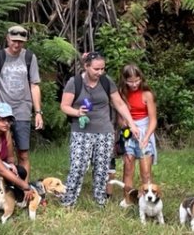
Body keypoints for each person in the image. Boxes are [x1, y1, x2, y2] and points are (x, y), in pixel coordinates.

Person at [59, 51, 141, 207]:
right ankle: (68, 201)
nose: (100, 72)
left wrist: (132, 123)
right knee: (78, 167)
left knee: (102, 168)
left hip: (104, 130)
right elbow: (64, 106)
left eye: (102, 69)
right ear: (86, 66)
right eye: (96, 69)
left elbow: (119, 104)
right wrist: (77, 112)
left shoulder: (106, 81)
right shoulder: (74, 82)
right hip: (81, 131)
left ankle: (100, 202)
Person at [0, 24, 43, 177]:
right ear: (7, 39)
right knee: (0, 152)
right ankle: (3, 185)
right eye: (14, 40)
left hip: (22, 110)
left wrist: (38, 112)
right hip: (1, 111)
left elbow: (34, 85)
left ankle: (24, 189)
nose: (17, 44)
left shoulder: (29, 57)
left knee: (23, 153)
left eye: (20, 41)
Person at [119, 63, 158, 205]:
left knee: (145, 172)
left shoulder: (147, 94)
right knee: (128, 169)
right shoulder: (122, 94)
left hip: (144, 132)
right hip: (129, 133)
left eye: (137, 80)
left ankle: (147, 199)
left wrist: (146, 138)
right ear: (124, 80)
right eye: (130, 81)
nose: (134, 84)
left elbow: (153, 120)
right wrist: (127, 127)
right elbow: (120, 119)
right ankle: (128, 199)